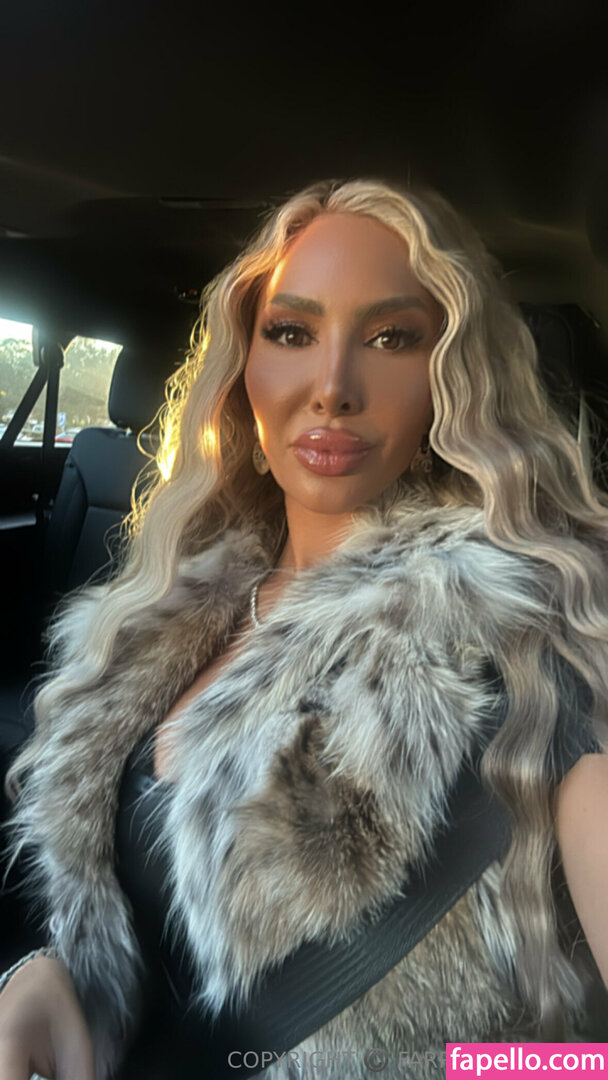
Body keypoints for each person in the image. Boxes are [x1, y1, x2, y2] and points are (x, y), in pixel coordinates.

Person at [0, 176, 607, 1080]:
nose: (332, 388)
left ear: (453, 378)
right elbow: (130, 913)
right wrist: (44, 973)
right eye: (291, 332)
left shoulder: (544, 649)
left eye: (393, 338)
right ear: (245, 367)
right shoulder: (163, 611)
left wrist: (469, 1068)